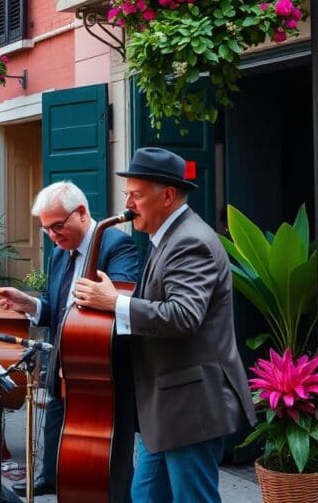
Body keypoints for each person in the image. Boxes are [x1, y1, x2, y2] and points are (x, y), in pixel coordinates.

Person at [73, 147, 256, 502]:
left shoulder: (189, 241)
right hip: (168, 405)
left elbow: (184, 316)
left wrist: (115, 302)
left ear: (168, 196)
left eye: (136, 195)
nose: (128, 205)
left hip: (190, 406)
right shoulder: (169, 238)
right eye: (127, 194)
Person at [0, 181, 140, 498]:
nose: (52, 236)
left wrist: (101, 298)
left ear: (82, 213)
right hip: (64, 372)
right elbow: (55, 310)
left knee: (106, 468)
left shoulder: (116, 245)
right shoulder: (60, 255)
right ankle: (53, 480)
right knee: (62, 452)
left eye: (58, 226)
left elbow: (120, 309)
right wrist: (27, 303)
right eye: (46, 229)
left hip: (103, 378)